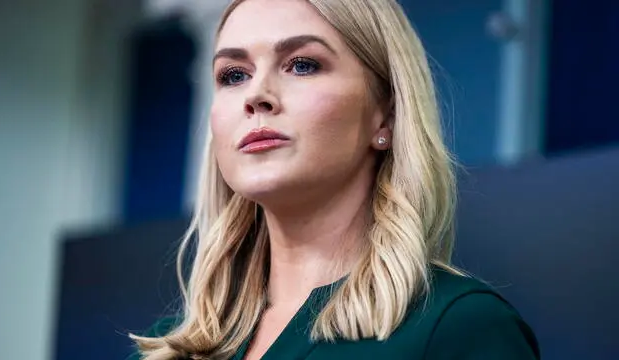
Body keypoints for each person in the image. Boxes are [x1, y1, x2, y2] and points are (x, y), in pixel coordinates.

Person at [129, 0, 540, 359]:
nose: (256, 95)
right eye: (233, 75)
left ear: (387, 114)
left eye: (302, 65)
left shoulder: (461, 329)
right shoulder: (165, 352)